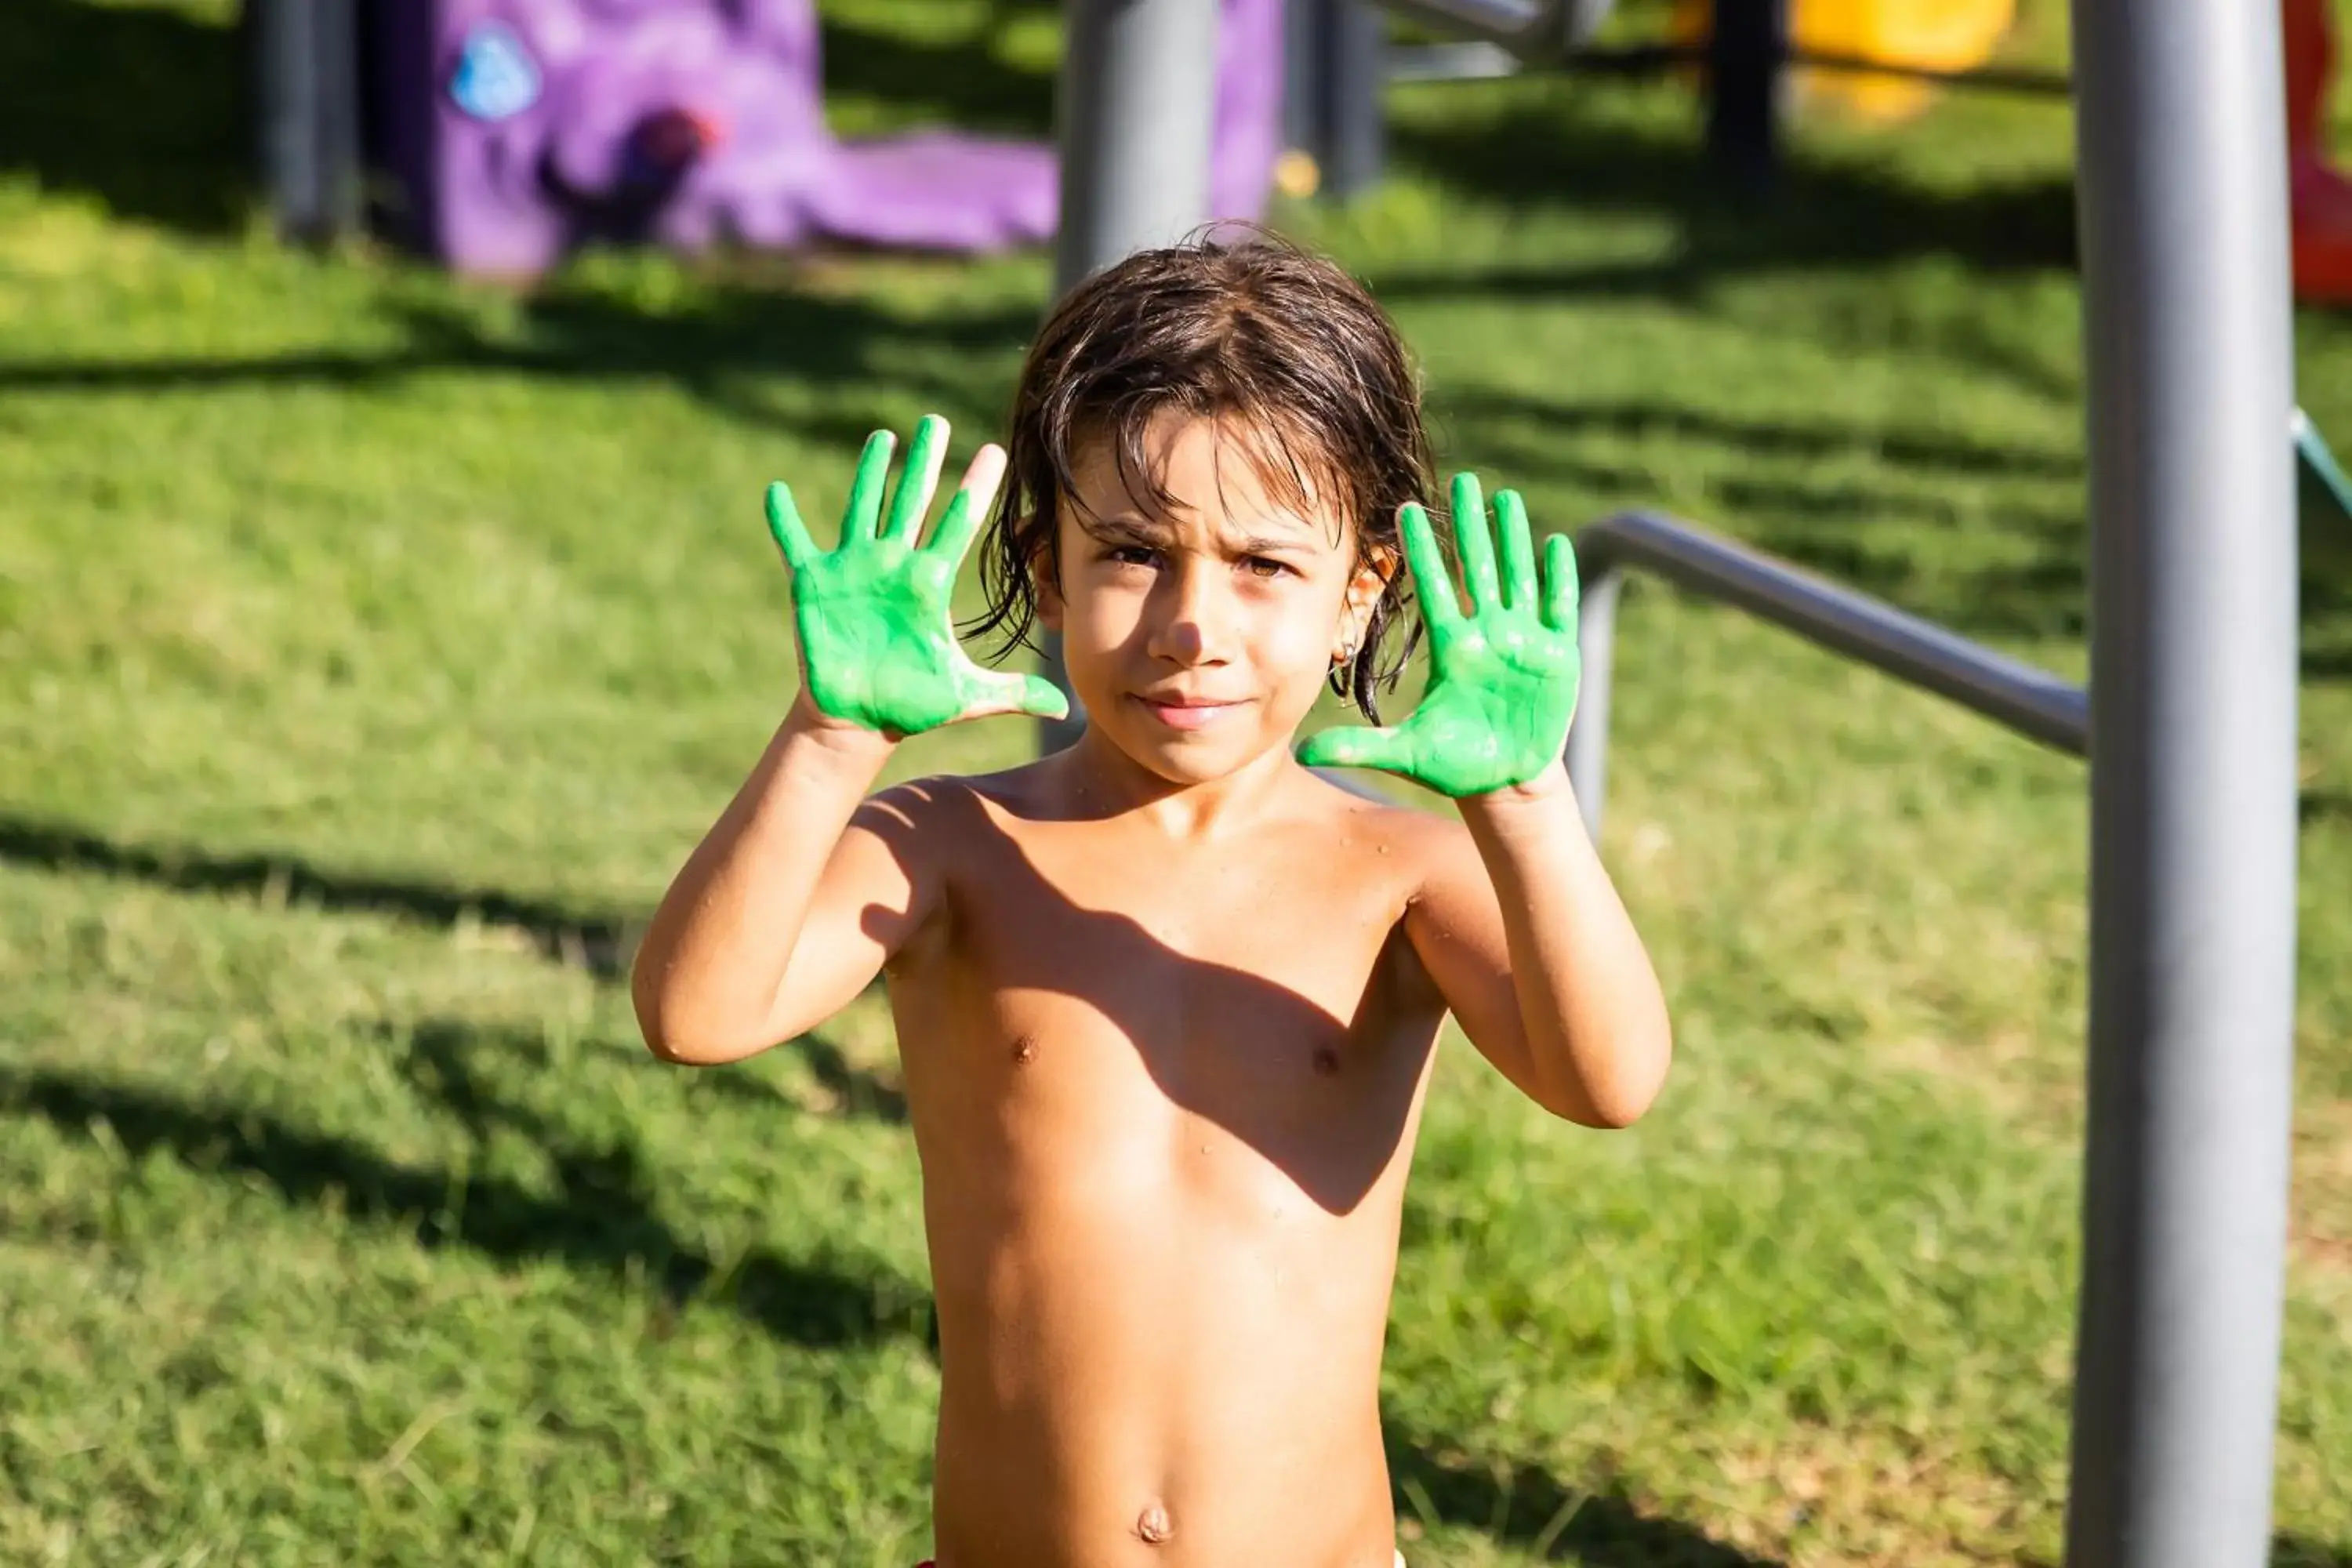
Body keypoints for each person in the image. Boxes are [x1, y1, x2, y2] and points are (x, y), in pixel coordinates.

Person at [630, 230, 1673, 1568]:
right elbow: (692, 1015)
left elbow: (1609, 1080)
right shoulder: (950, 846)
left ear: (1364, 594)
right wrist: (830, 741)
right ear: (1046, 570)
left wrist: (1526, 809)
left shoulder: (1401, 878)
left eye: (1264, 566)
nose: (1193, 622)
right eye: (1131, 553)